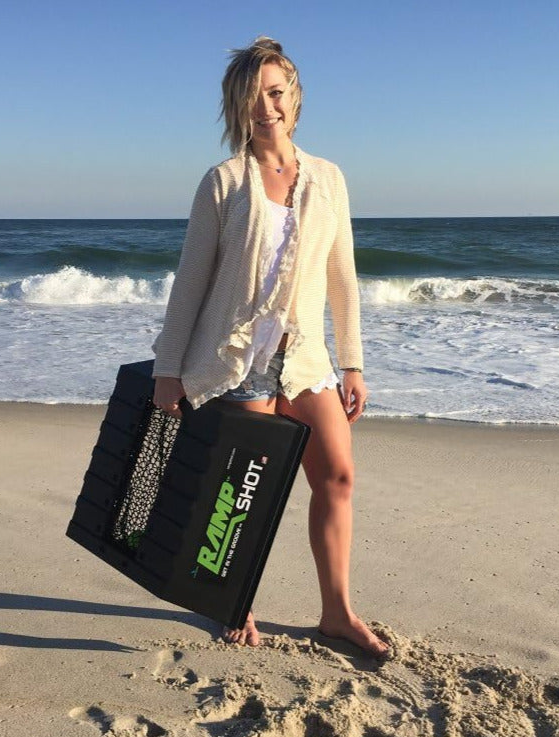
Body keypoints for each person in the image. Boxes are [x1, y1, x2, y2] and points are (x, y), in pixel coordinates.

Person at [151, 37, 389, 658]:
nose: (266, 107)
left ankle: (336, 613)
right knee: (241, 499)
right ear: (237, 106)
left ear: (295, 97)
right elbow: (191, 282)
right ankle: (235, 602)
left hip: (305, 358)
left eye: (276, 93)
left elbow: (342, 278)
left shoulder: (329, 179)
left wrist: (353, 362)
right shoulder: (223, 182)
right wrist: (168, 368)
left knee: (337, 475)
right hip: (237, 364)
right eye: (252, 97)